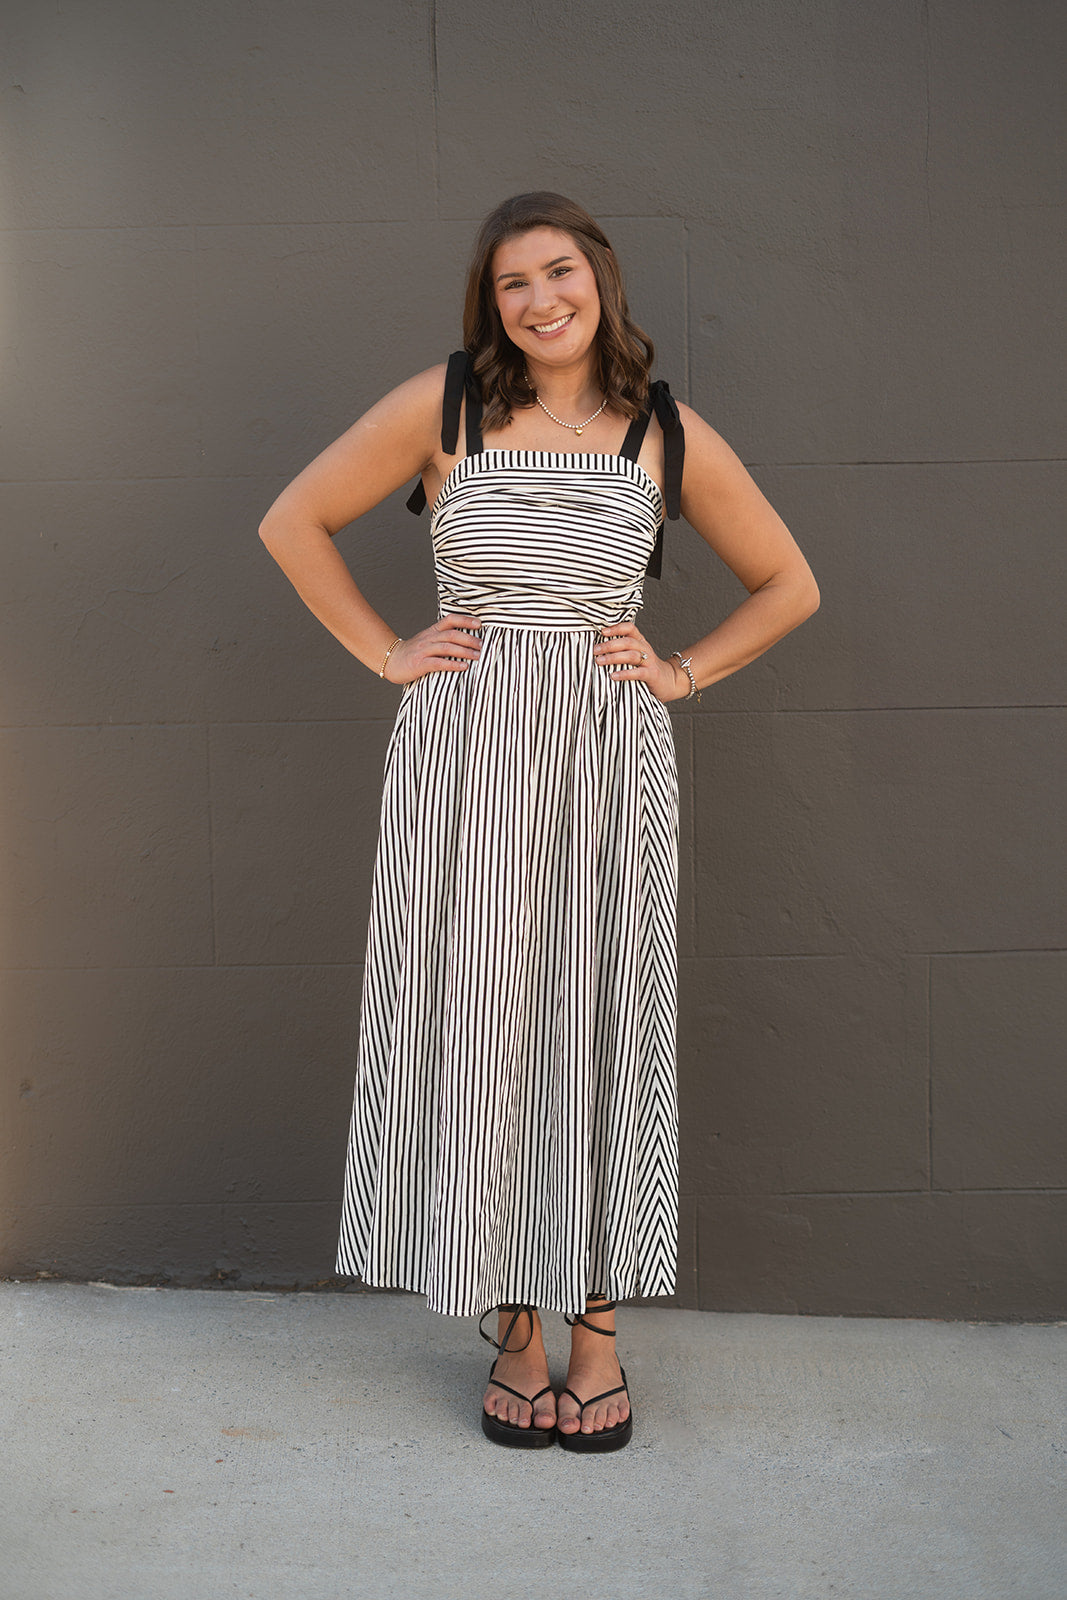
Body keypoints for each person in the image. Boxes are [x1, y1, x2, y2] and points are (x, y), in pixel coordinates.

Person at [259, 191, 819, 1453]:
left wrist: (679, 673)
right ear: (489, 301)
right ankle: (512, 1321)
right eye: (511, 282)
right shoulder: (444, 405)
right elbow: (290, 520)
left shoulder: (662, 431)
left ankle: (597, 1330)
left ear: (599, 281)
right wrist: (385, 651)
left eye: (557, 271)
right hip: (461, 758)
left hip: (604, 757)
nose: (537, 299)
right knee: (484, 1020)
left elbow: (789, 582)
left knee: (600, 1013)